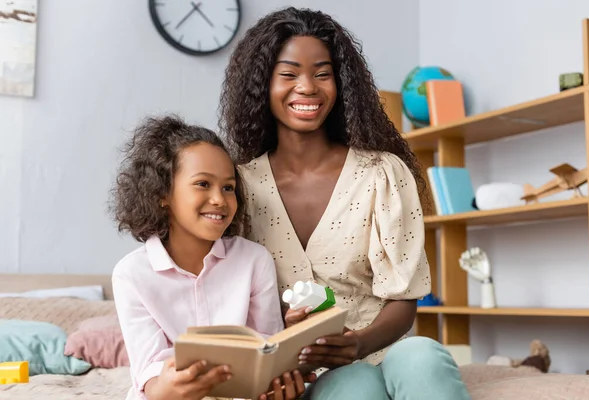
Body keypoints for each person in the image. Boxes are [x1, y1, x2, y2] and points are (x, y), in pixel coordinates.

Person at [219, 7, 471, 400]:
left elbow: (403, 300)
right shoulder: (236, 187)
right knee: (352, 386)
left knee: (422, 355)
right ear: (261, 85)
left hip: (383, 354)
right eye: (288, 74)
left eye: (322, 73)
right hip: (293, 378)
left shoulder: (381, 173)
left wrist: (358, 343)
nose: (307, 87)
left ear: (341, 84)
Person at [109, 115, 313, 400]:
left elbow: (268, 344)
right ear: (162, 194)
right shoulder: (132, 274)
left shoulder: (254, 260)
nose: (220, 199)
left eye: (228, 187)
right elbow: (150, 374)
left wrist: (280, 377)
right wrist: (168, 388)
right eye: (203, 184)